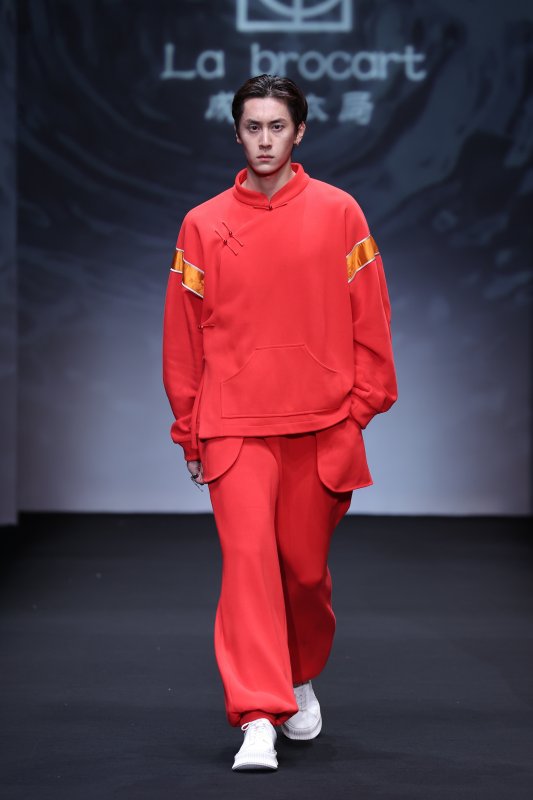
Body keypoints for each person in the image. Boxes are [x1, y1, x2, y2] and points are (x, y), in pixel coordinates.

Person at [162, 73, 397, 772]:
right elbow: (183, 335)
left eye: (277, 126)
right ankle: (257, 715)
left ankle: (297, 674)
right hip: (232, 422)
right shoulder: (202, 223)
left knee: (303, 573)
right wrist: (190, 427)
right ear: (236, 133)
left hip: (320, 422)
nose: (264, 140)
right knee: (247, 570)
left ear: (299, 132)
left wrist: (359, 407)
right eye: (252, 127)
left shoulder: (339, 212)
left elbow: (370, 315)